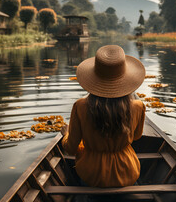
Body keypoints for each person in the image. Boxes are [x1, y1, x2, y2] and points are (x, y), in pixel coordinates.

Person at [61, 44, 146, 188]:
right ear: (125, 78)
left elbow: (70, 148)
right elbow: (137, 136)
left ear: (93, 77)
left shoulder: (80, 106)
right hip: (128, 173)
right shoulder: (138, 106)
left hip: (91, 175)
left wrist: (66, 134)